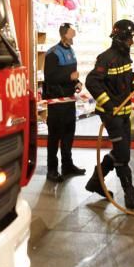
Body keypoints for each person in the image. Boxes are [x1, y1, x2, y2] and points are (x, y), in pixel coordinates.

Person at [84, 19, 134, 210]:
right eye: (130, 39)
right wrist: (109, 104)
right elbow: (92, 82)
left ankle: (96, 181)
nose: (132, 42)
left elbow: (123, 84)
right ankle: (129, 194)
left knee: (122, 152)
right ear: (121, 38)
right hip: (111, 115)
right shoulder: (106, 58)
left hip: (124, 114)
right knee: (123, 155)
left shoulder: (125, 58)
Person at [43, 23, 86, 182]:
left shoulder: (71, 51)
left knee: (68, 134)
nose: (74, 33)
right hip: (56, 102)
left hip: (69, 101)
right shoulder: (53, 53)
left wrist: (77, 83)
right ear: (64, 34)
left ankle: (67, 165)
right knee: (54, 137)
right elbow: (50, 77)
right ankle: (52, 170)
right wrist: (70, 78)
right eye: (71, 31)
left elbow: (71, 73)